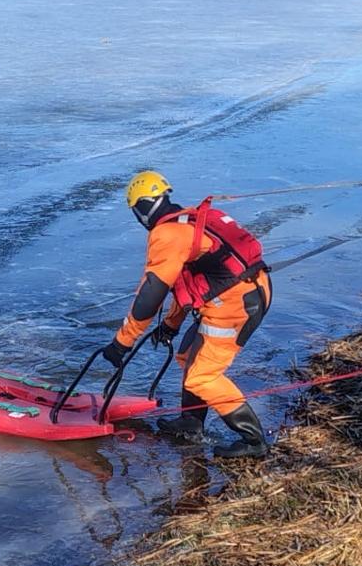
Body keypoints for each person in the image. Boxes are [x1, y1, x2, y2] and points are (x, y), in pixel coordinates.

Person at [103, 171, 273, 459]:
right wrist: (170, 326)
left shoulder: (167, 234)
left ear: (142, 208)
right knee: (188, 356)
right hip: (246, 292)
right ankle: (191, 423)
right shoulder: (187, 221)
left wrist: (123, 342)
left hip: (236, 305)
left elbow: (151, 295)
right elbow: (186, 284)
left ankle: (253, 441)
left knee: (202, 377)